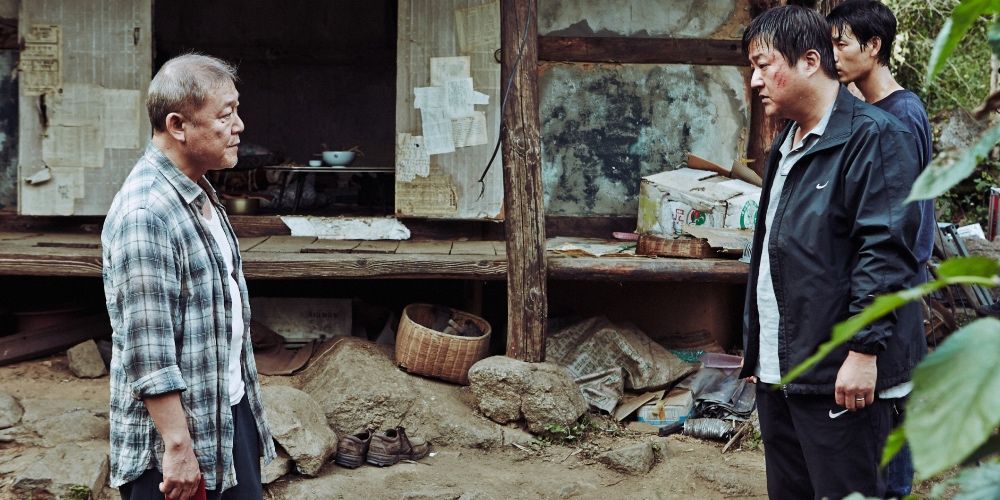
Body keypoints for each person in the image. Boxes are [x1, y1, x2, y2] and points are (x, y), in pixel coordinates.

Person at [739, 6, 926, 499]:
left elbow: (885, 250)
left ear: (809, 60)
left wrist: (864, 351)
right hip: (783, 372)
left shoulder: (877, 136)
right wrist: (761, 345)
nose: (755, 80)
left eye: (763, 64)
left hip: (841, 375)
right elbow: (776, 250)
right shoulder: (786, 144)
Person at [102, 53, 275, 500]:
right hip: (175, 444)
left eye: (237, 110)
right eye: (226, 114)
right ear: (178, 125)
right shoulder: (147, 213)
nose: (239, 126)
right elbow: (149, 350)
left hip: (224, 414)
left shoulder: (198, 191)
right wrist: (178, 447)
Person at [827, 2, 933, 496]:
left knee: (891, 411)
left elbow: (901, 222)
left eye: (841, 43)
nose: (833, 55)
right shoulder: (869, 108)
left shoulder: (901, 115)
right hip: (885, 289)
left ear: (874, 47)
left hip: (894, 288)